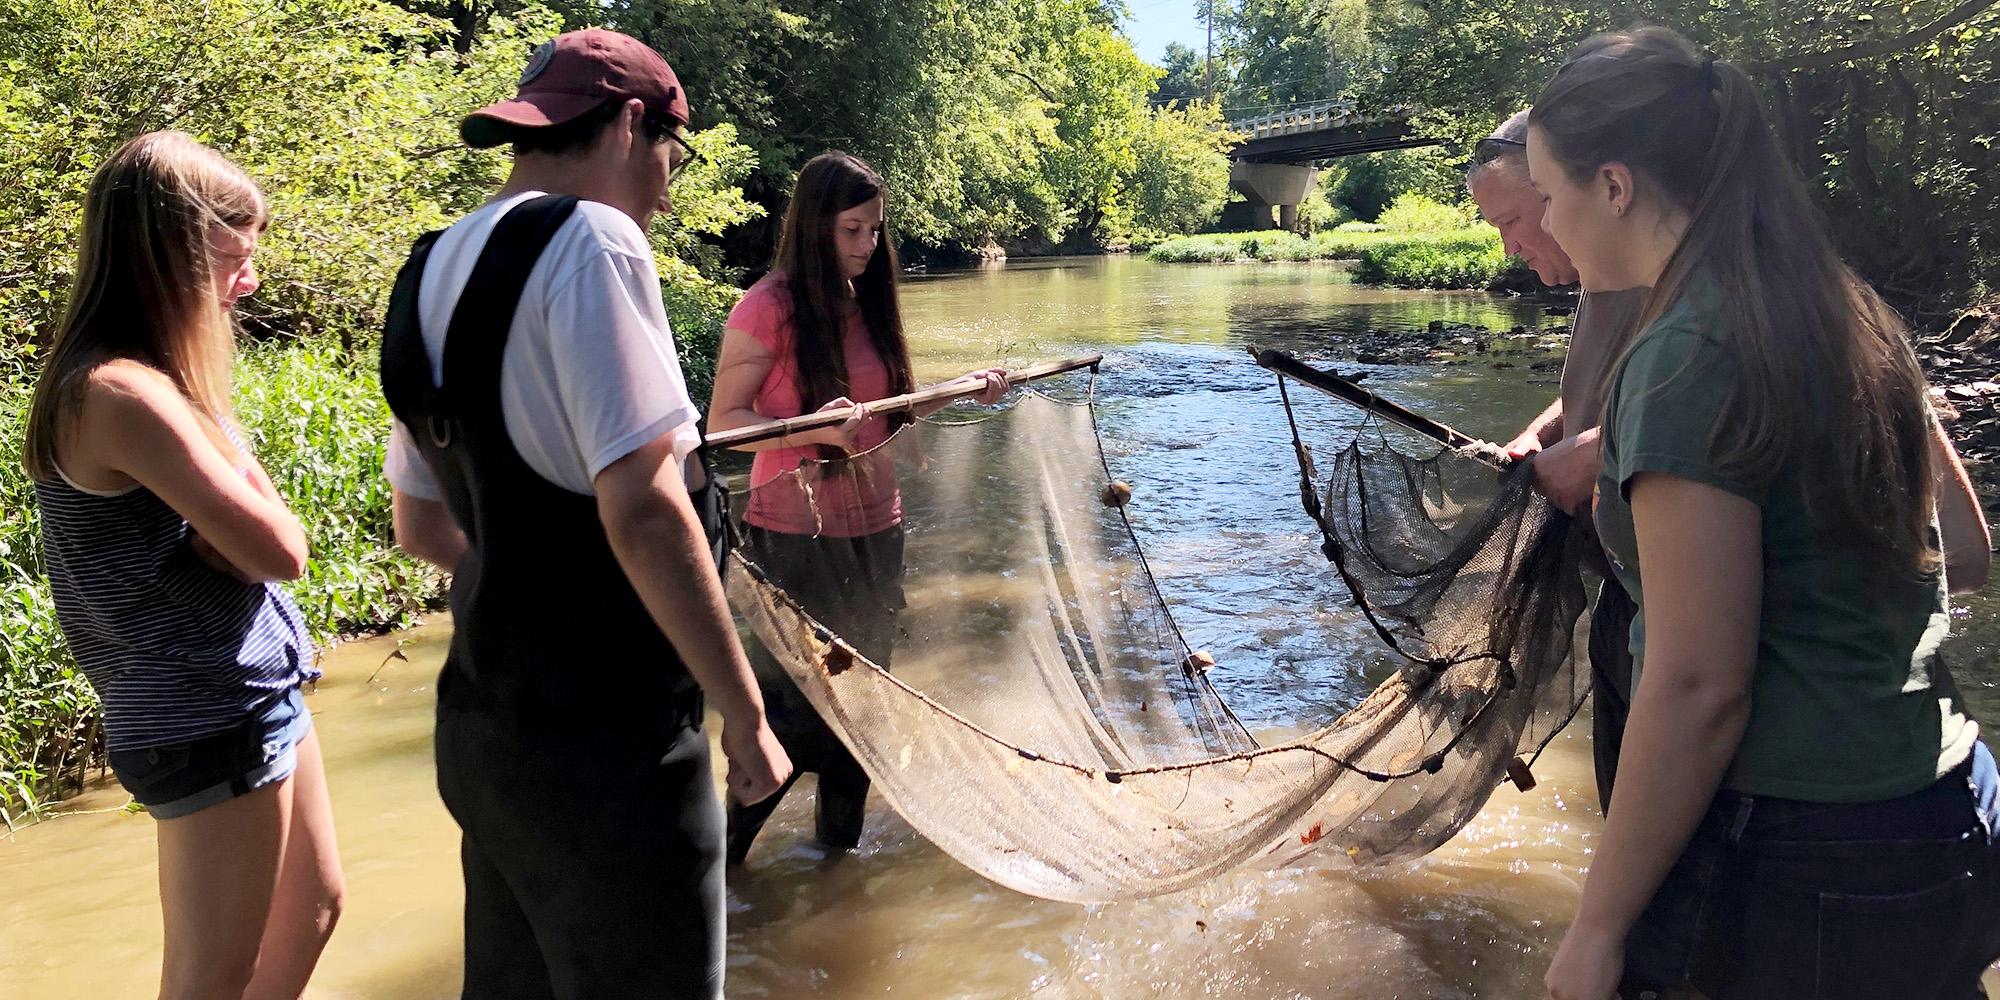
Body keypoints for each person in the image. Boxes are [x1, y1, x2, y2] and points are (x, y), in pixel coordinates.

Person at [1524, 27, 1997, 1000]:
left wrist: (1595, 930)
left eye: (1546, 193)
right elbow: (1966, 550)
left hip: (1816, 864)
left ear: (1612, 186)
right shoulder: (1841, 305)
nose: (1544, 222)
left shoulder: (1684, 355)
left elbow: (1699, 686)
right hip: (1954, 805)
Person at [379, 30, 790, 999]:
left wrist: (529, 572)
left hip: (484, 740)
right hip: (611, 756)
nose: (665, 192)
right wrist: (744, 713)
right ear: (631, 124)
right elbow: (645, 511)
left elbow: (422, 525)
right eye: (670, 160)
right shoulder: (593, 242)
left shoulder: (431, 268)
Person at [22, 131, 341, 999]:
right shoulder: (117, 392)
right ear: (172, 257)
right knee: (209, 981)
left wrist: (234, 533)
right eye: (235, 256)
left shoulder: (164, 382)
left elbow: (265, 542)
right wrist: (236, 536)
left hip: (250, 696)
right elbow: (282, 548)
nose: (252, 279)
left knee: (316, 910)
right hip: (203, 717)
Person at [706, 150, 1007, 862]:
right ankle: (724, 875)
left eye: (875, 231)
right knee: (785, 717)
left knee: (860, 720)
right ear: (815, 228)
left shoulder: (866, 301)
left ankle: (834, 876)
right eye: (853, 230)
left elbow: (889, 412)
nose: (868, 246)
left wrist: (962, 386)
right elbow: (720, 425)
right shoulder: (767, 306)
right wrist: (813, 427)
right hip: (790, 542)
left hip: (877, 537)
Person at [1468, 108, 1649, 814]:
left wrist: (1604, 453)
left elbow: (1727, 390)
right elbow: (1610, 390)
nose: (1511, 248)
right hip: (1623, 594)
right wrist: (1544, 436)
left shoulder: (1694, 283)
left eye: (1514, 218)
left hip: (1666, 608)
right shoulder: (1603, 274)